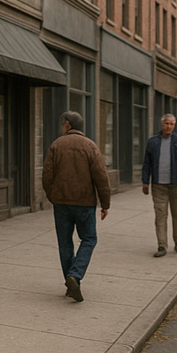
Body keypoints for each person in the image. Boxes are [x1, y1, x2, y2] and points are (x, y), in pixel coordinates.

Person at [41, 111, 110, 303]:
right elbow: (101, 177)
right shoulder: (90, 146)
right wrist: (105, 204)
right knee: (89, 239)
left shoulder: (56, 145)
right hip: (84, 203)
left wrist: (53, 196)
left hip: (61, 203)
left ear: (68, 125)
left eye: (63, 124)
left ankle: (71, 283)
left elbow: (46, 176)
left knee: (65, 243)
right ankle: (75, 275)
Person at [142, 114, 177, 257]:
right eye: (166, 123)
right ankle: (162, 246)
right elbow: (147, 163)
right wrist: (145, 181)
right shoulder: (153, 142)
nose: (169, 126)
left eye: (171, 124)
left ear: (174, 125)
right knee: (160, 215)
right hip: (158, 185)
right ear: (162, 124)